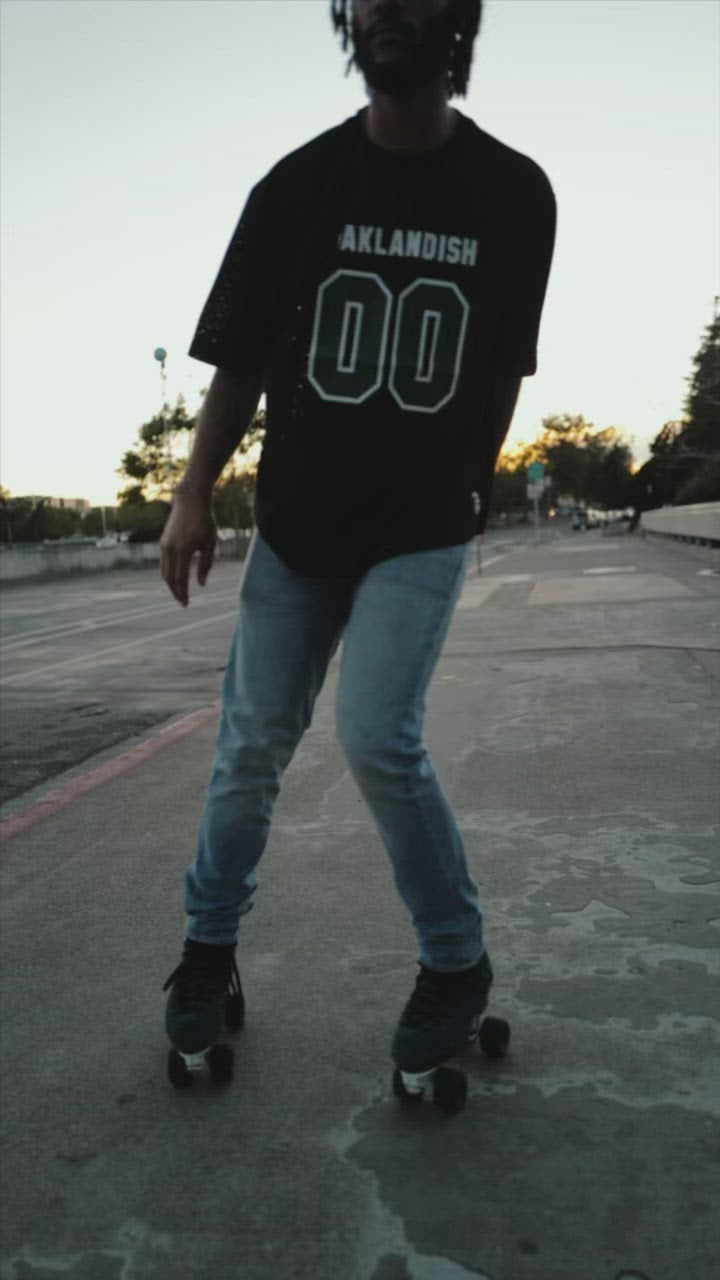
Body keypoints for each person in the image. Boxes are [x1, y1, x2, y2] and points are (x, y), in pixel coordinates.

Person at [159, 0, 556, 1090]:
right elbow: (238, 358)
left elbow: (501, 373)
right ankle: (205, 951)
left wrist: (466, 488)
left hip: (421, 524)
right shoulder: (298, 185)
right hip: (298, 521)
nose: (390, 11)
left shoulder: (515, 193)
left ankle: (455, 962)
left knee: (378, 737)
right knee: (249, 749)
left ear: (459, 17)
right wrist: (193, 492)